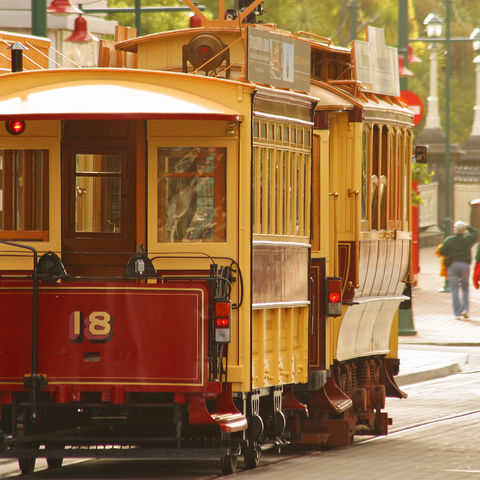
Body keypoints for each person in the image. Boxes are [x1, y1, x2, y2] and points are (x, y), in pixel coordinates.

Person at [439, 221, 478, 320]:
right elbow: (475, 232)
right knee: (465, 288)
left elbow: (442, 251)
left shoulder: (449, 240)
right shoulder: (467, 240)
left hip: (453, 266)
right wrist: (467, 226)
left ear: (454, 230)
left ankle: (457, 313)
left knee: (455, 289)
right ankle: (465, 309)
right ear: (464, 230)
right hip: (465, 265)